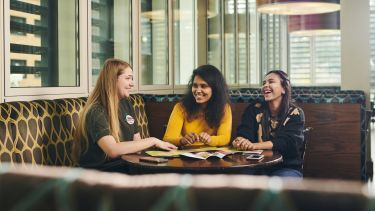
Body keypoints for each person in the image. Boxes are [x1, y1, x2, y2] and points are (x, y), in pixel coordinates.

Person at [72, 58, 177, 172]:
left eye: (131, 79)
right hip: (100, 172)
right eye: (128, 78)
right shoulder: (96, 111)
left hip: (123, 166)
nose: (132, 84)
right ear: (112, 80)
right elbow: (112, 150)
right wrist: (153, 141)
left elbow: (136, 144)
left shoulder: (126, 103)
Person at [233, 70, 305, 177]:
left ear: (284, 89)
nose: (266, 85)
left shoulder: (295, 113)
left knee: (279, 183)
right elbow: (244, 133)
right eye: (263, 83)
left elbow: (286, 142)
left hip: (286, 167)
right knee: (239, 180)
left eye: (271, 82)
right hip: (255, 166)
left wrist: (253, 146)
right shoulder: (253, 109)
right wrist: (241, 141)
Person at [163, 64, 232, 147]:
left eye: (203, 86)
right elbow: (167, 139)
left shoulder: (224, 108)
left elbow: (225, 139)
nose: (198, 90)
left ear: (215, 89)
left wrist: (210, 139)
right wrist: (182, 140)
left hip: (212, 157)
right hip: (186, 156)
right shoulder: (180, 107)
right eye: (195, 86)